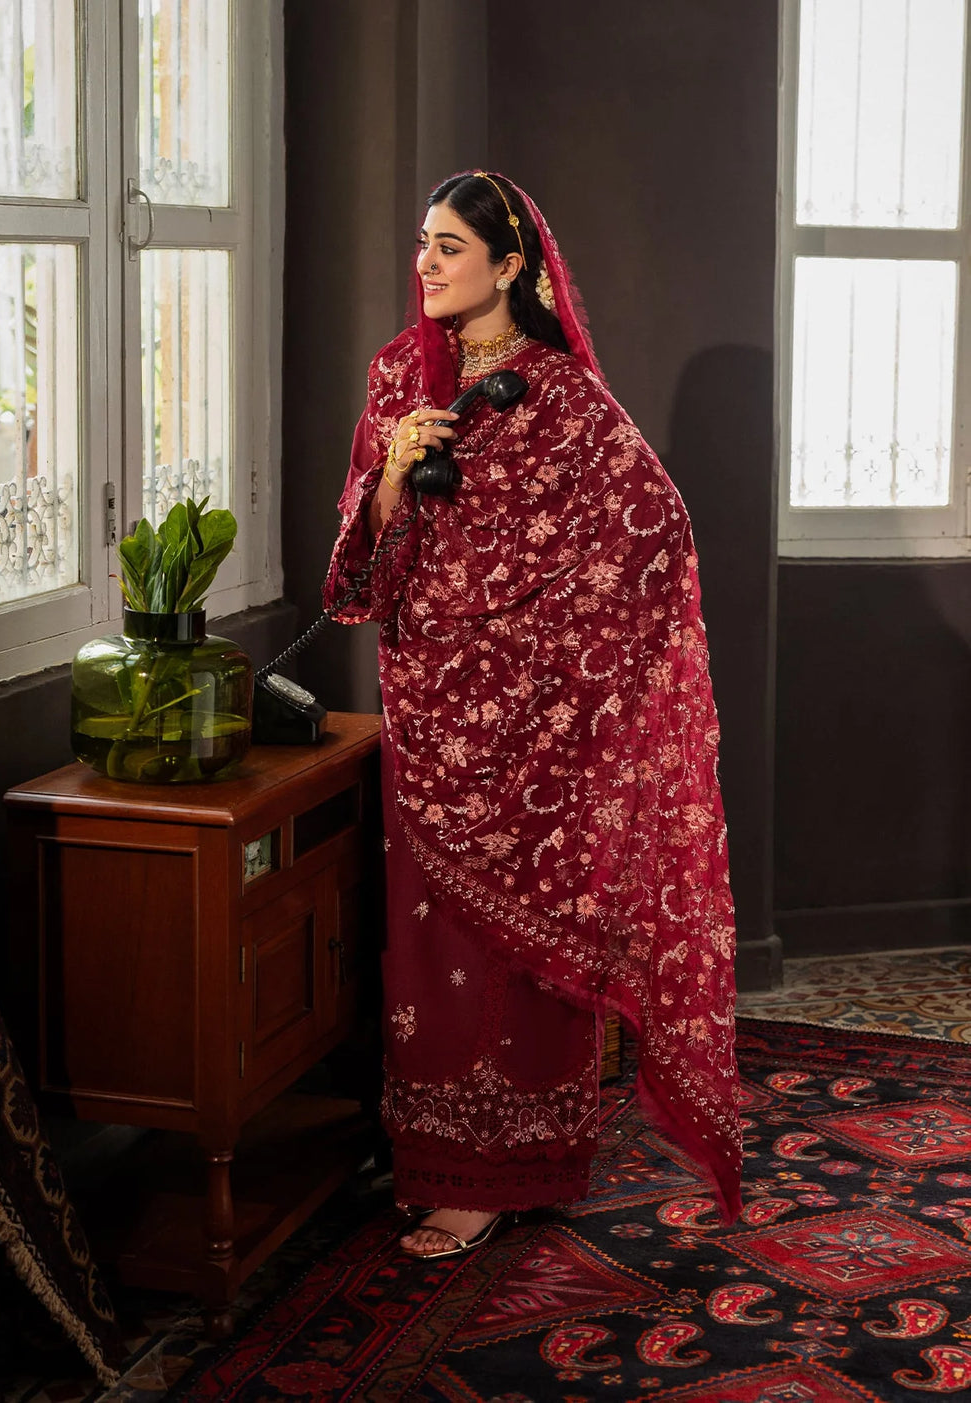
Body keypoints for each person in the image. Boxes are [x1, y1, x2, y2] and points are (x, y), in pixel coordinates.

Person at [323, 171, 742, 1258]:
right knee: (430, 949)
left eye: (450, 247)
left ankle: (515, 1171)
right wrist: (392, 475)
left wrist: (564, 668)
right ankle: (441, 1162)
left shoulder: (559, 399)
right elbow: (363, 566)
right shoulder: (396, 377)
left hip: (531, 722)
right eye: (423, 242)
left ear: (512, 265)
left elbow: (655, 528)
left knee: (525, 946)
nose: (426, 264)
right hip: (428, 706)